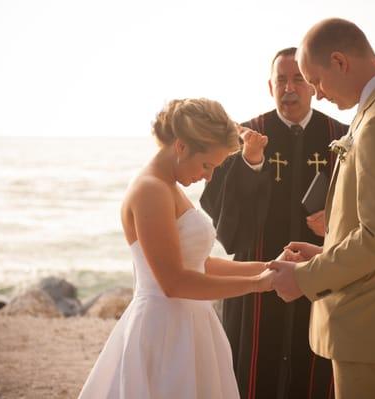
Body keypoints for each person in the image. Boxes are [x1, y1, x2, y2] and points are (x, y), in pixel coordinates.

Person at [269, 18, 375, 398]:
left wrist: (303, 278)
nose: (317, 93)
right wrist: (326, 250)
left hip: (371, 323)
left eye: (315, 81)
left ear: (340, 61)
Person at [78, 98, 276, 399]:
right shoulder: (151, 190)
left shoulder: (168, 186)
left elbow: (199, 264)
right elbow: (173, 282)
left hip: (191, 324)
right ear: (181, 146)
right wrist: (256, 285)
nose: (209, 177)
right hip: (165, 330)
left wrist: (267, 267)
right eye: (207, 165)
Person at [200, 47, 349, 399]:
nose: (289, 88)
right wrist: (251, 164)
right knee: (251, 376)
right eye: (281, 80)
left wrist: (334, 221)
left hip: (317, 276)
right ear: (270, 86)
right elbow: (221, 216)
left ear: (313, 85)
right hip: (257, 278)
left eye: (298, 79)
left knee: (313, 373)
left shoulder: (341, 138)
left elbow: (367, 209)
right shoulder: (245, 136)